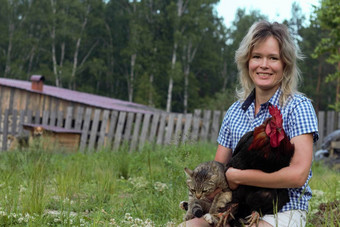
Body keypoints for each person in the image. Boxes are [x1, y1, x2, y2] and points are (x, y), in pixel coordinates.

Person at [180, 20, 318, 227]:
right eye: (257, 57)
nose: (264, 65)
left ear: (285, 64)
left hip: (282, 208)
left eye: (273, 58)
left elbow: (298, 175)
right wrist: (202, 201)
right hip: (236, 205)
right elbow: (220, 171)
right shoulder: (235, 111)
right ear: (247, 61)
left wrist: (240, 176)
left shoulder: (298, 107)